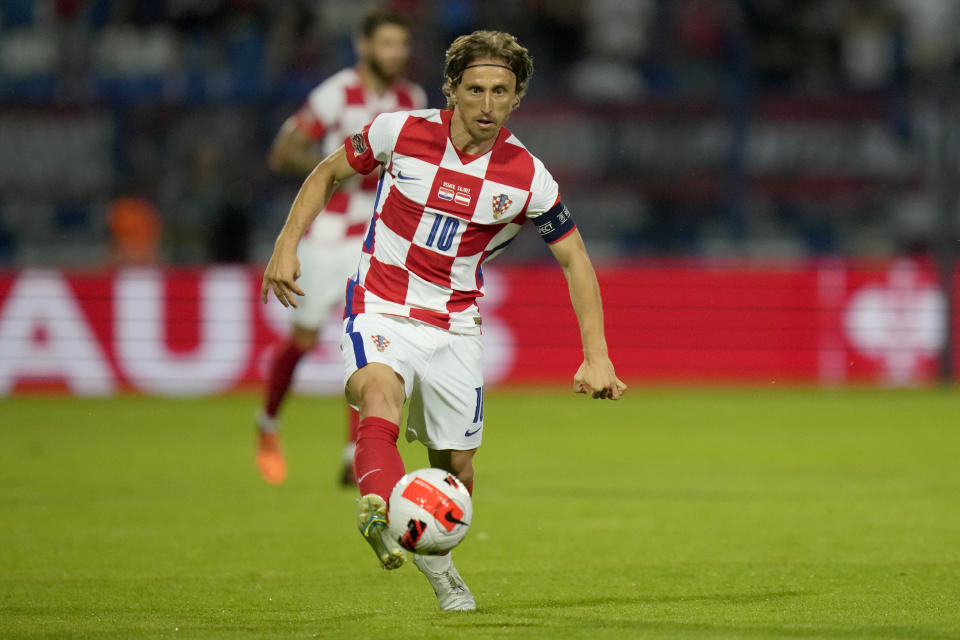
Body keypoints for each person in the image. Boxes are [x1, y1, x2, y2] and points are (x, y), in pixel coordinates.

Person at [261, 30, 625, 610]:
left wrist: (597, 354)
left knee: (455, 466)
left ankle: (438, 563)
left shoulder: (528, 177)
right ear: (451, 89)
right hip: (380, 305)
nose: (486, 105)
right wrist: (286, 244)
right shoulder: (399, 131)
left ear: (517, 97)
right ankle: (379, 510)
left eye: (500, 92)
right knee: (379, 395)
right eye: (475, 89)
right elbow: (327, 171)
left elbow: (575, 257)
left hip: (455, 324)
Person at [256, 7, 427, 486]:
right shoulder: (336, 94)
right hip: (327, 237)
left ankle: (354, 452)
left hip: (378, 240)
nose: (396, 53)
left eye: (402, 45)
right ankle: (268, 422)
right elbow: (283, 152)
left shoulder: (410, 98)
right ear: (365, 46)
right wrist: (347, 166)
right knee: (304, 341)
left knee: (370, 339)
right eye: (387, 44)